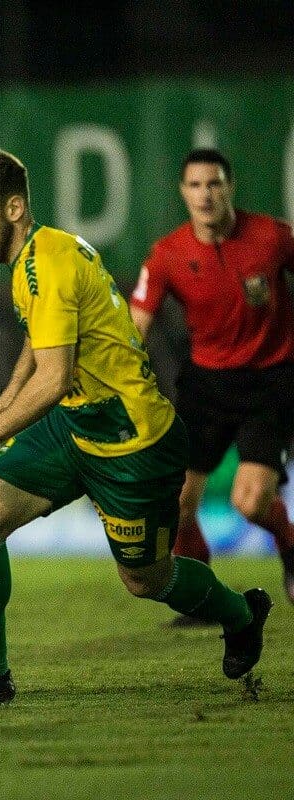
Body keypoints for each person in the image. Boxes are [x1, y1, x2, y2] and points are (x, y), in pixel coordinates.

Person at [0, 148, 270, 711]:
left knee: (146, 581)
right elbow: (41, 343)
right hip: (76, 425)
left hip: (133, 440)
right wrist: (3, 404)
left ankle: (242, 613)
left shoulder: (48, 263)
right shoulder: (39, 253)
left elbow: (54, 379)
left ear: (13, 208)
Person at [130, 148, 294, 613]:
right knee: (176, 499)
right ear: (183, 192)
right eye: (196, 185)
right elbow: (135, 325)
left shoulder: (272, 237)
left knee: (250, 503)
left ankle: (290, 546)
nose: (205, 194)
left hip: (270, 383)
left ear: (230, 187)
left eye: (214, 183)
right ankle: (202, 595)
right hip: (206, 385)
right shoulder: (167, 254)